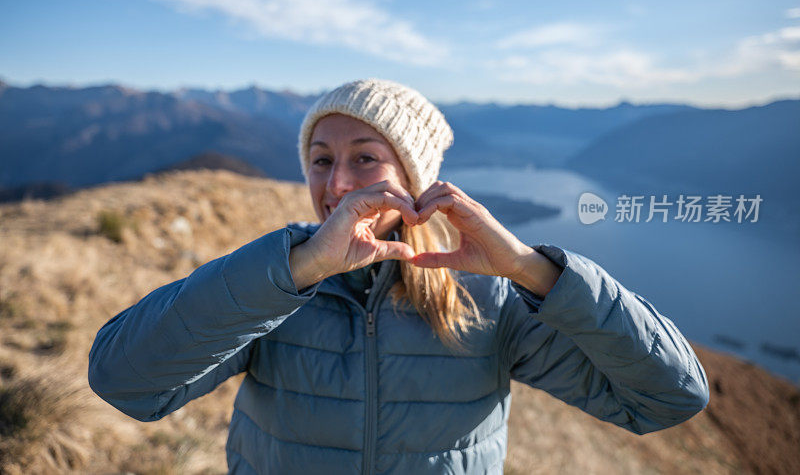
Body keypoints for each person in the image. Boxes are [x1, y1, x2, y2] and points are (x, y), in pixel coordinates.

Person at [88, 78, 710, 474]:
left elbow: (669, 397)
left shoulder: (491, 297)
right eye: (321, 161)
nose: (335, 187)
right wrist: (299, 270)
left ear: (413, 180)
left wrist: (529, 269)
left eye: (365, 159)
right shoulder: (274, 282)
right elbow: (124, 382)